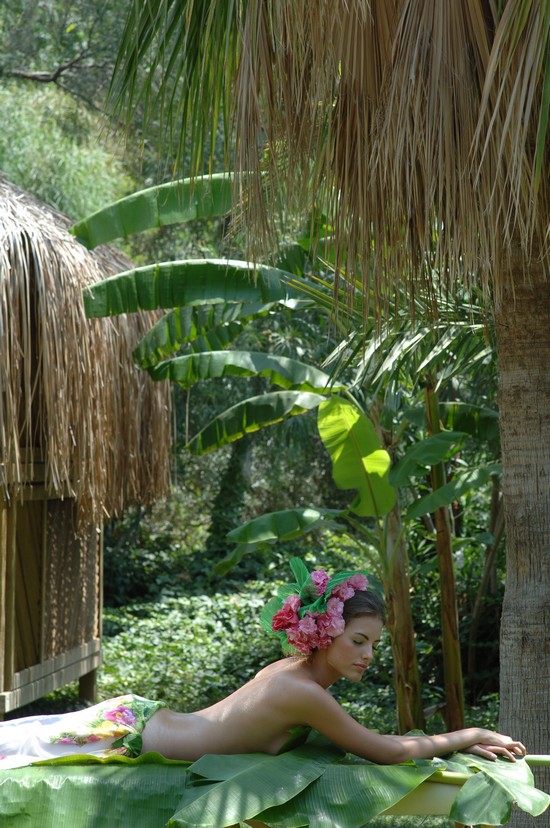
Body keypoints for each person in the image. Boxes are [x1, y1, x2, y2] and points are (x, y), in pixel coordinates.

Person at [0, 558, 526, 769]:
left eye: (373, 645)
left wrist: (456, 746)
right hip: (130, 735)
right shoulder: (301, 691)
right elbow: (385, 750)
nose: (368, 655)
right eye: (359, 641)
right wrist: (471, 732)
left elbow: (370, 740)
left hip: (138, 717)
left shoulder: (297, 673)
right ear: (324, 634)